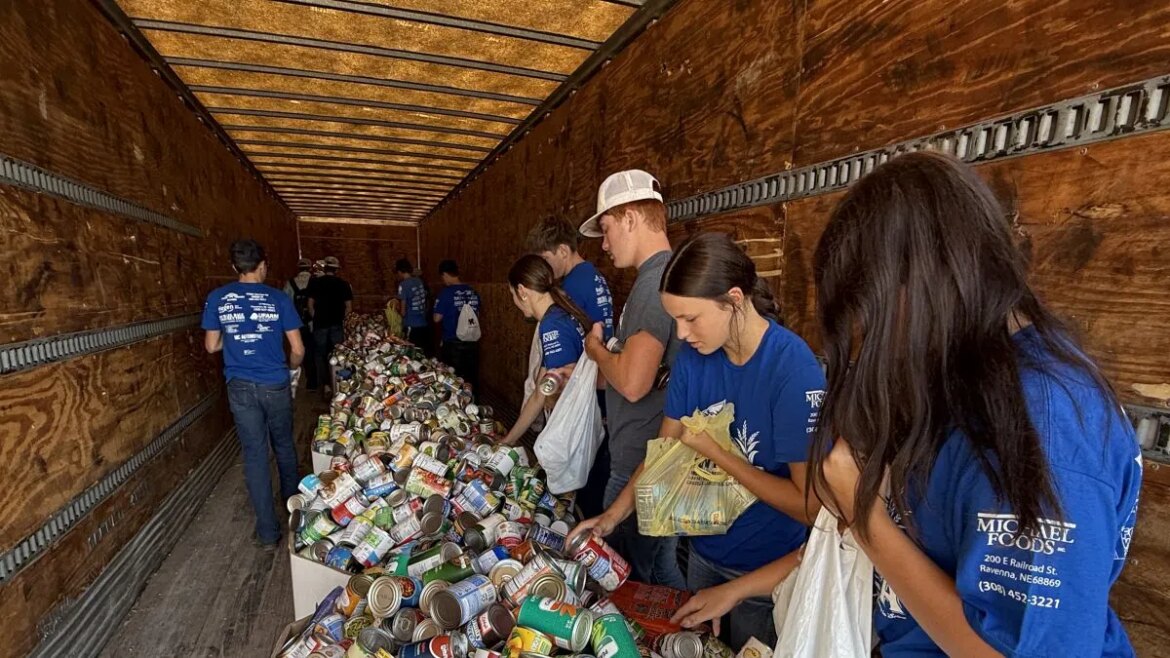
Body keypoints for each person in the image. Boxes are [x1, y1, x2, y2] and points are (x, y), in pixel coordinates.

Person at [573, 232, 825, 650]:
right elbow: (664, 450)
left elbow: (808, 506)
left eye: (691, 318)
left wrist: (718, 454)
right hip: (704, 554)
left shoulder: (792, 369)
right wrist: (612, 517)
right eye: (674, 319)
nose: (681, 333)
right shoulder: (694, 359)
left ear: (734, 299)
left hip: (764, 571)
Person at [575, 169, 686, 589]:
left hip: (642, 463)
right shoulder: (669, 275)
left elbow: (636, 382)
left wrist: (597, 351)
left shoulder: (652, 283)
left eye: (606, 230)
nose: (604, 245)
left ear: (630, 218)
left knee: (637, 580)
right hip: (657, 460)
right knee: (660, 569)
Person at [201, 239, 304, 547]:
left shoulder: (218, 298)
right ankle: (294, 513)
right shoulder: (278, 298)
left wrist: (233, 344)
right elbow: (298, 349)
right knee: (284, 445)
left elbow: (210, 346)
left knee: (255, 456)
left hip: (240, 387)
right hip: (275, 383)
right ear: (263, 265)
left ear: (235, 268)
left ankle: (268, 532)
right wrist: (292, 368)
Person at [525, 216, 616, 516]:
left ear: (563, 251)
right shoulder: (593, 276)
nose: (546, 270)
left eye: (547, 260)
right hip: (604, 379)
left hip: (587, 385)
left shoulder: (573, 286)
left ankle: (585, 521)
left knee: (583, 461)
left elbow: (566, 352)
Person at [499, 255, 592, 446]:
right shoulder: (560, 314)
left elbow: (551, 394)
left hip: (570, 432)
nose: (514, 301)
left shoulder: (552, 325)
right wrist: (509, 440)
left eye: (513, 294)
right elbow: (539, 392)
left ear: (522, 291)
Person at [307, 255, 353, 396]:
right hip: (336, 324)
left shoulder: (315, 283)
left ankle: (325, 385)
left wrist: (315, 318)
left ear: (325, 268)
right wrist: (342, 320)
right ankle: (338, 384)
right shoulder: (343, 284)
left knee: (320, 355)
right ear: (336, 270)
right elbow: (349, 307)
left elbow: (310, 304)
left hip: (320, 324)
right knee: (337, 354)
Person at [433, 259, 482, 386]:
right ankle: (473, 404)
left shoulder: (446, 293)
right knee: (471, 379)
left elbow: (436, 318)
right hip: (472, 343)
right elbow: (477, 314)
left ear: (445, 274)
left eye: (442, 277)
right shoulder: (472, 292)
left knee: (453, 380)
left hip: (453, 344)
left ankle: (456, 405)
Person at [283, 258, 317, 390]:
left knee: (298, 349)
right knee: (312, 351)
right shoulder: (315, 282)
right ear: (310, 268)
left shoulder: (290, 283)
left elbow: (285, 303)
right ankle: (314, 381)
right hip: (313, 321)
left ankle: (297, 381)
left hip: (296, 323)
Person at [394, 258, 430, 353]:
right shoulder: (419, 281)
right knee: (421, 352)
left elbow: (403, 311)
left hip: (411, 324)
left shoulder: (403, 285)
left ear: (400, 272)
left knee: (411, 353)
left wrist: (396, 309)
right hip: (423, 323)